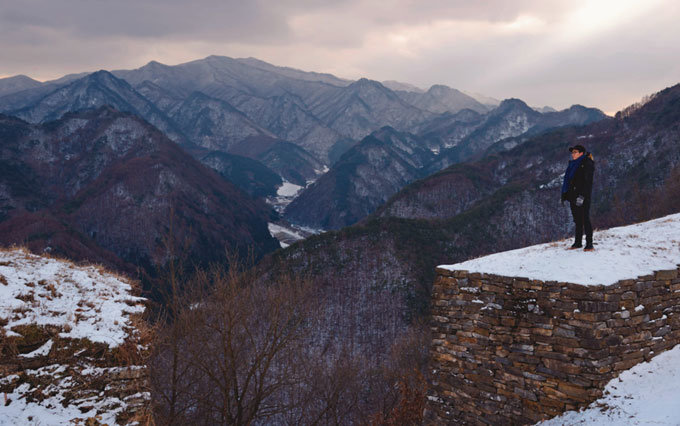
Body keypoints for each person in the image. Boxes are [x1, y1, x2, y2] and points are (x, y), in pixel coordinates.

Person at [561, 144, 595, 251]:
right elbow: (568, 181)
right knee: (577, 220)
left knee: (585, 219)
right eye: (572, 152)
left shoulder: (586, 163)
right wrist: (566, 194)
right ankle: (578, 242)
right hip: (573, 196)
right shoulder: (572, 164)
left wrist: (582, 196)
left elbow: (587, 182)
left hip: (582, 196)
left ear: (581, 153)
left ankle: (589, 244)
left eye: (575, 152)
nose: (573, 154)